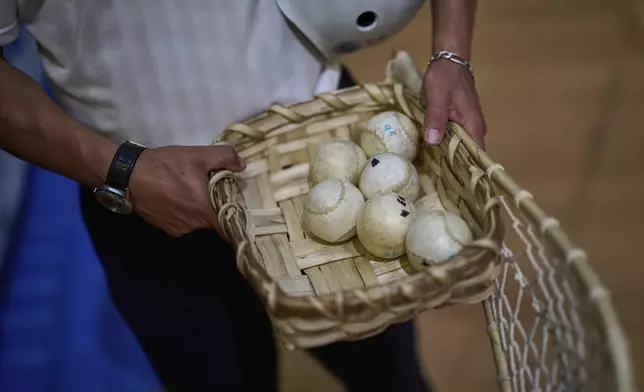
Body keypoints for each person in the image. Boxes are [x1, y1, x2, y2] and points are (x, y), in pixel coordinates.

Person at [0, 1, 486, 391]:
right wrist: (121, 170)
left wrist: (452, 53)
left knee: (390, 376)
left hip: (323, 151)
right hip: (148, 200)